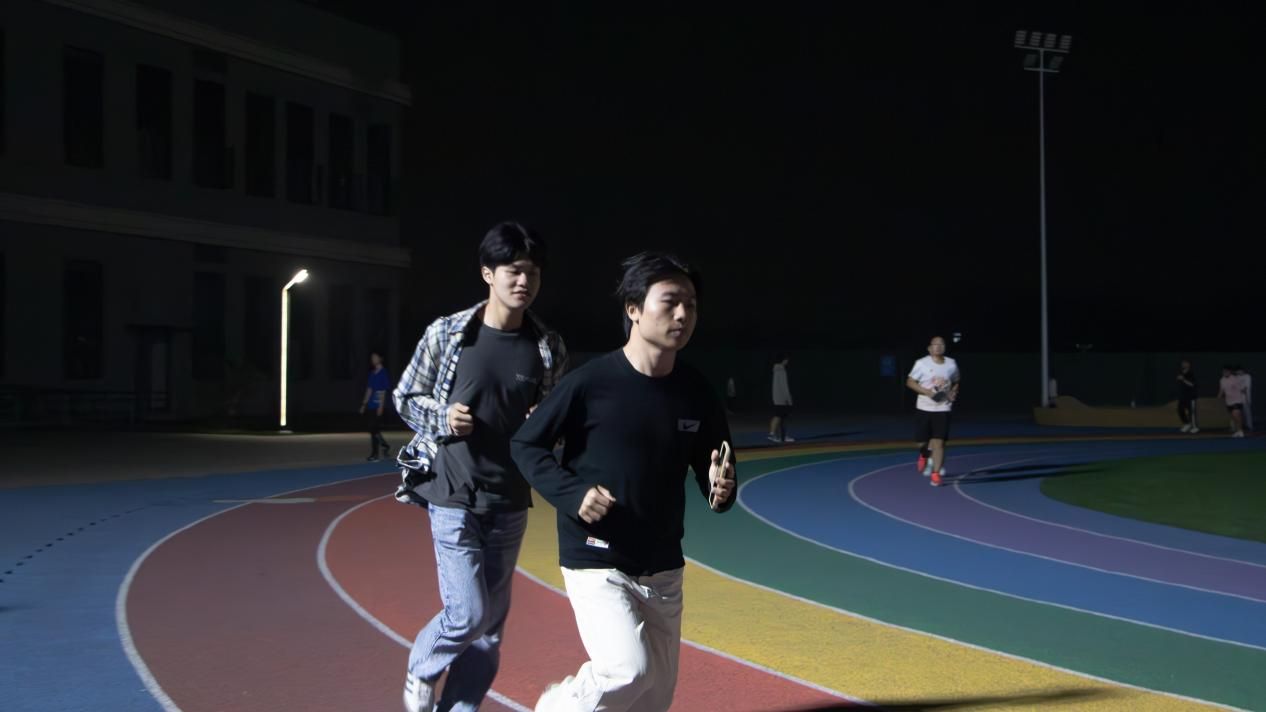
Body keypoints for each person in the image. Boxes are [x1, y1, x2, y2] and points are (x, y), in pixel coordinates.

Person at [511, 251, 736, 712]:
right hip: (597, 556)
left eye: (691, 305)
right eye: (670, 302)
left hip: (662, 563)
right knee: (626, 670)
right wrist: (573, 494)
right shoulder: (590, 383)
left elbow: (714, 468)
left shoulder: (696, 391)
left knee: (654, 698)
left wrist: (721, 489)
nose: (683, 314)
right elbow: (526, 444)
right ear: (634, 309)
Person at [391, 222, 568, 712]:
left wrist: (546, 422)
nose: (524, 282)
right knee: (468, 614)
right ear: (488, 273)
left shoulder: (548, 346)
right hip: (453, 493)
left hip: (509, 500)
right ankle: (422, 666)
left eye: (533, 273)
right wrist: (443, 417)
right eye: (514, 271)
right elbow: (405, 397)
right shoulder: (447, 333)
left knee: (489, 632)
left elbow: (558, 425)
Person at [906, 336, 961, 486]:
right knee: (921, 442)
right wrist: (927, 392)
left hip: (943, 407)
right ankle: (924, 454)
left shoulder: (951, 363)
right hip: (924, 407)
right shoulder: (921, 363)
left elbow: (956, 380)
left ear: (944, 347)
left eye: (941, 344)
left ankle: (935, 474)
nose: (938, 346)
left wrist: (953, 392)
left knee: (939, 442)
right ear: (929, 348)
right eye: (935, 344)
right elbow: (910, 382)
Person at [359, 351, 393, 460]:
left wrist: (381, 406)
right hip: (370, 405)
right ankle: (385, 445)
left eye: (375, 357)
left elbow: (383, 391)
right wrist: (364, 404)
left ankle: (375, 454)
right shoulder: (372, 374)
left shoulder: (383, 373)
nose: (373, 359)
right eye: (372, 358)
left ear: (380, 358)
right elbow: (369, 390)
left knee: (374, 430)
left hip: (378, 405)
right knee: (373, 430)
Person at [768, 354, 794, 443]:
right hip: (781, 398)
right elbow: (784, 386)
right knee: (779, 416)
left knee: (780, 416)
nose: (788, 361)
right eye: (787, 360)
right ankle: (774, 435)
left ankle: (779, 436)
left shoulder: (776, 370)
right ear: (784, 360)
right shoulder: (781, 370)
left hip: (777, 397)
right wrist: (789, 399)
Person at [1216, 365, 1246, 438]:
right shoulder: (1222, 380)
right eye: (1223, 371)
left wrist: (1243, 394)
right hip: (1229, 401)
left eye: (1226, 371)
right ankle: (1238, 431)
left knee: (1236, 415)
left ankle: (1240, 431)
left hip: (1237, 400)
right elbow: (1221, 390)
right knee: (1234, 417)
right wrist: (1218, 397)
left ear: (1230, 372)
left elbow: (1242, 389)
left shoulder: (1235, 379)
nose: (1225, 373)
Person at [1176, 359, 1199, 434]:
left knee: (1191, 412)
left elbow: (1192, 384)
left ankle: (1195, 427)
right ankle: (1187, 424)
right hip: (1183, 396)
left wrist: (1183, 379)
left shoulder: (1191, 373)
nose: (1183, 364)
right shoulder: (1180, 373)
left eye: (1185, 363)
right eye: (1183, 363)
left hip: (1191, 396)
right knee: (1179, 410)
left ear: (1189, 365)